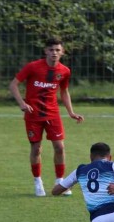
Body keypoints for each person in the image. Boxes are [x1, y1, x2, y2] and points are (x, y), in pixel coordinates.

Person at [9, 37, 85, 197]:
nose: (54, 53)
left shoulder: (64, 71)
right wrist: (22, 103)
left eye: (57, 50)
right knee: (36, 149)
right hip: (32, 115)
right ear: (46, 51)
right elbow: (13, 84)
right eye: (51, 50)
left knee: (60, 147)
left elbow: (64, 91)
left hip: (53, 114)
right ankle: (38, 181)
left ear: (62, 52)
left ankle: (60, 181)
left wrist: (71, 112)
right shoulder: (33, 67)